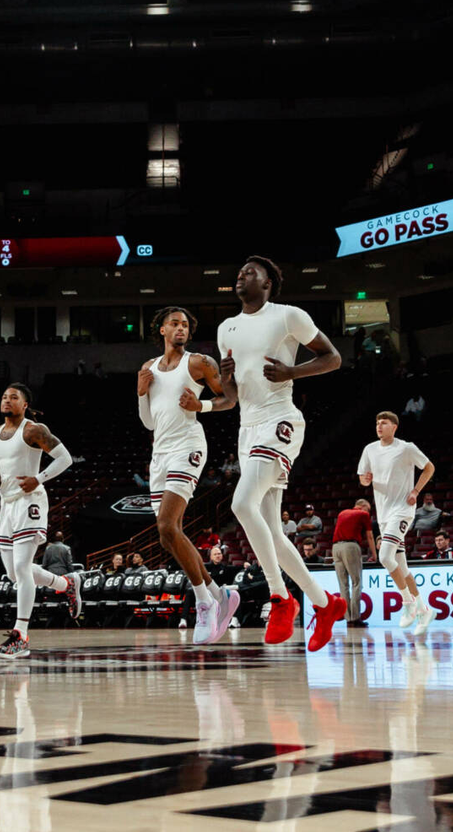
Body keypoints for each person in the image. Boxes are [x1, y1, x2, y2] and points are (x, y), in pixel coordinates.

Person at [217, 254, 346, 653]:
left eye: (250, 272)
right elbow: (233, 395)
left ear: (268, 282)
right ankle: (325, 604)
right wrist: (224, 384)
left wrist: (293, 372)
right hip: (247, 425)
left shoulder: (289, 315)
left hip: (280, 418)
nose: (241, 275)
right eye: (239, 271)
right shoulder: (226, 328)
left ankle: (281, 597)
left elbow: (333, 358)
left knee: (241, 504)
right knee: (271, 530)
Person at [137, 305, 238, 645]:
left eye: (185, 325)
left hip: (188, 445)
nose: (180, 329)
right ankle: (217, 593)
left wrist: (203, 406)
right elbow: (149, 422)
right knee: (167, 537)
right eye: (174, 324)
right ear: (161, 330)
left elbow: (230, 398)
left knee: (167, 525)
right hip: (160, 453)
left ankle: (204, 602)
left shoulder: (199, 363)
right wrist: (140, 394)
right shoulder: (148, 368)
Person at [0, 384, 79, 658]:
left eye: (14, 397)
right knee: (14, 573)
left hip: (31, 501)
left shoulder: (33, 429)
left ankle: (20, 635)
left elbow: (65, 458)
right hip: (7, 504)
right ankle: (66, 585)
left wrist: (39, 478)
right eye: (4, 396)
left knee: (23, 568)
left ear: (25, 405)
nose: (7, 400)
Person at [357, 409, 436, 636]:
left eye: (383, 423)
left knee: (384, 557)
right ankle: (424, 609)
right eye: (377, 423)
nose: (379, 426)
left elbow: (429, 467)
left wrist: (416, 491)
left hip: (402, 510)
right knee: (402, 568)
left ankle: (408, 603)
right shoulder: (369, 449)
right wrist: (366, 479)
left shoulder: (406, 448)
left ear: (394, 427)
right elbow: (363, 478)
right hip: (383, 513)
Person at [331, 497, 376, 626]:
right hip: (350, 546)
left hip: (335, 548)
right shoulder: (363, 514)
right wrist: (374, 555)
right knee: (356, 582)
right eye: (368, 509)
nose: (369, 512)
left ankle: (348, 618)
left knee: (343, 585)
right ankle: (355, 617)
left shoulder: (342, 513)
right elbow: (369, 536)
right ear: (363, 506)